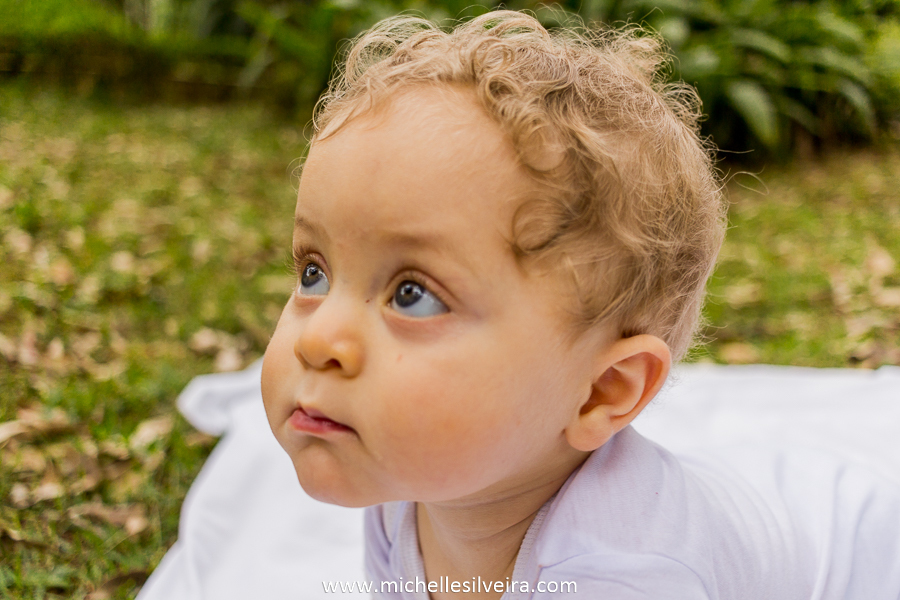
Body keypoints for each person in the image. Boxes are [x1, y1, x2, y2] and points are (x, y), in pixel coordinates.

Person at [258, 10, 900, 599]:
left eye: (413, 295)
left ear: (600, 391)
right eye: (314, 274)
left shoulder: (631, 573)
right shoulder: (395, 485)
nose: (318, 340)